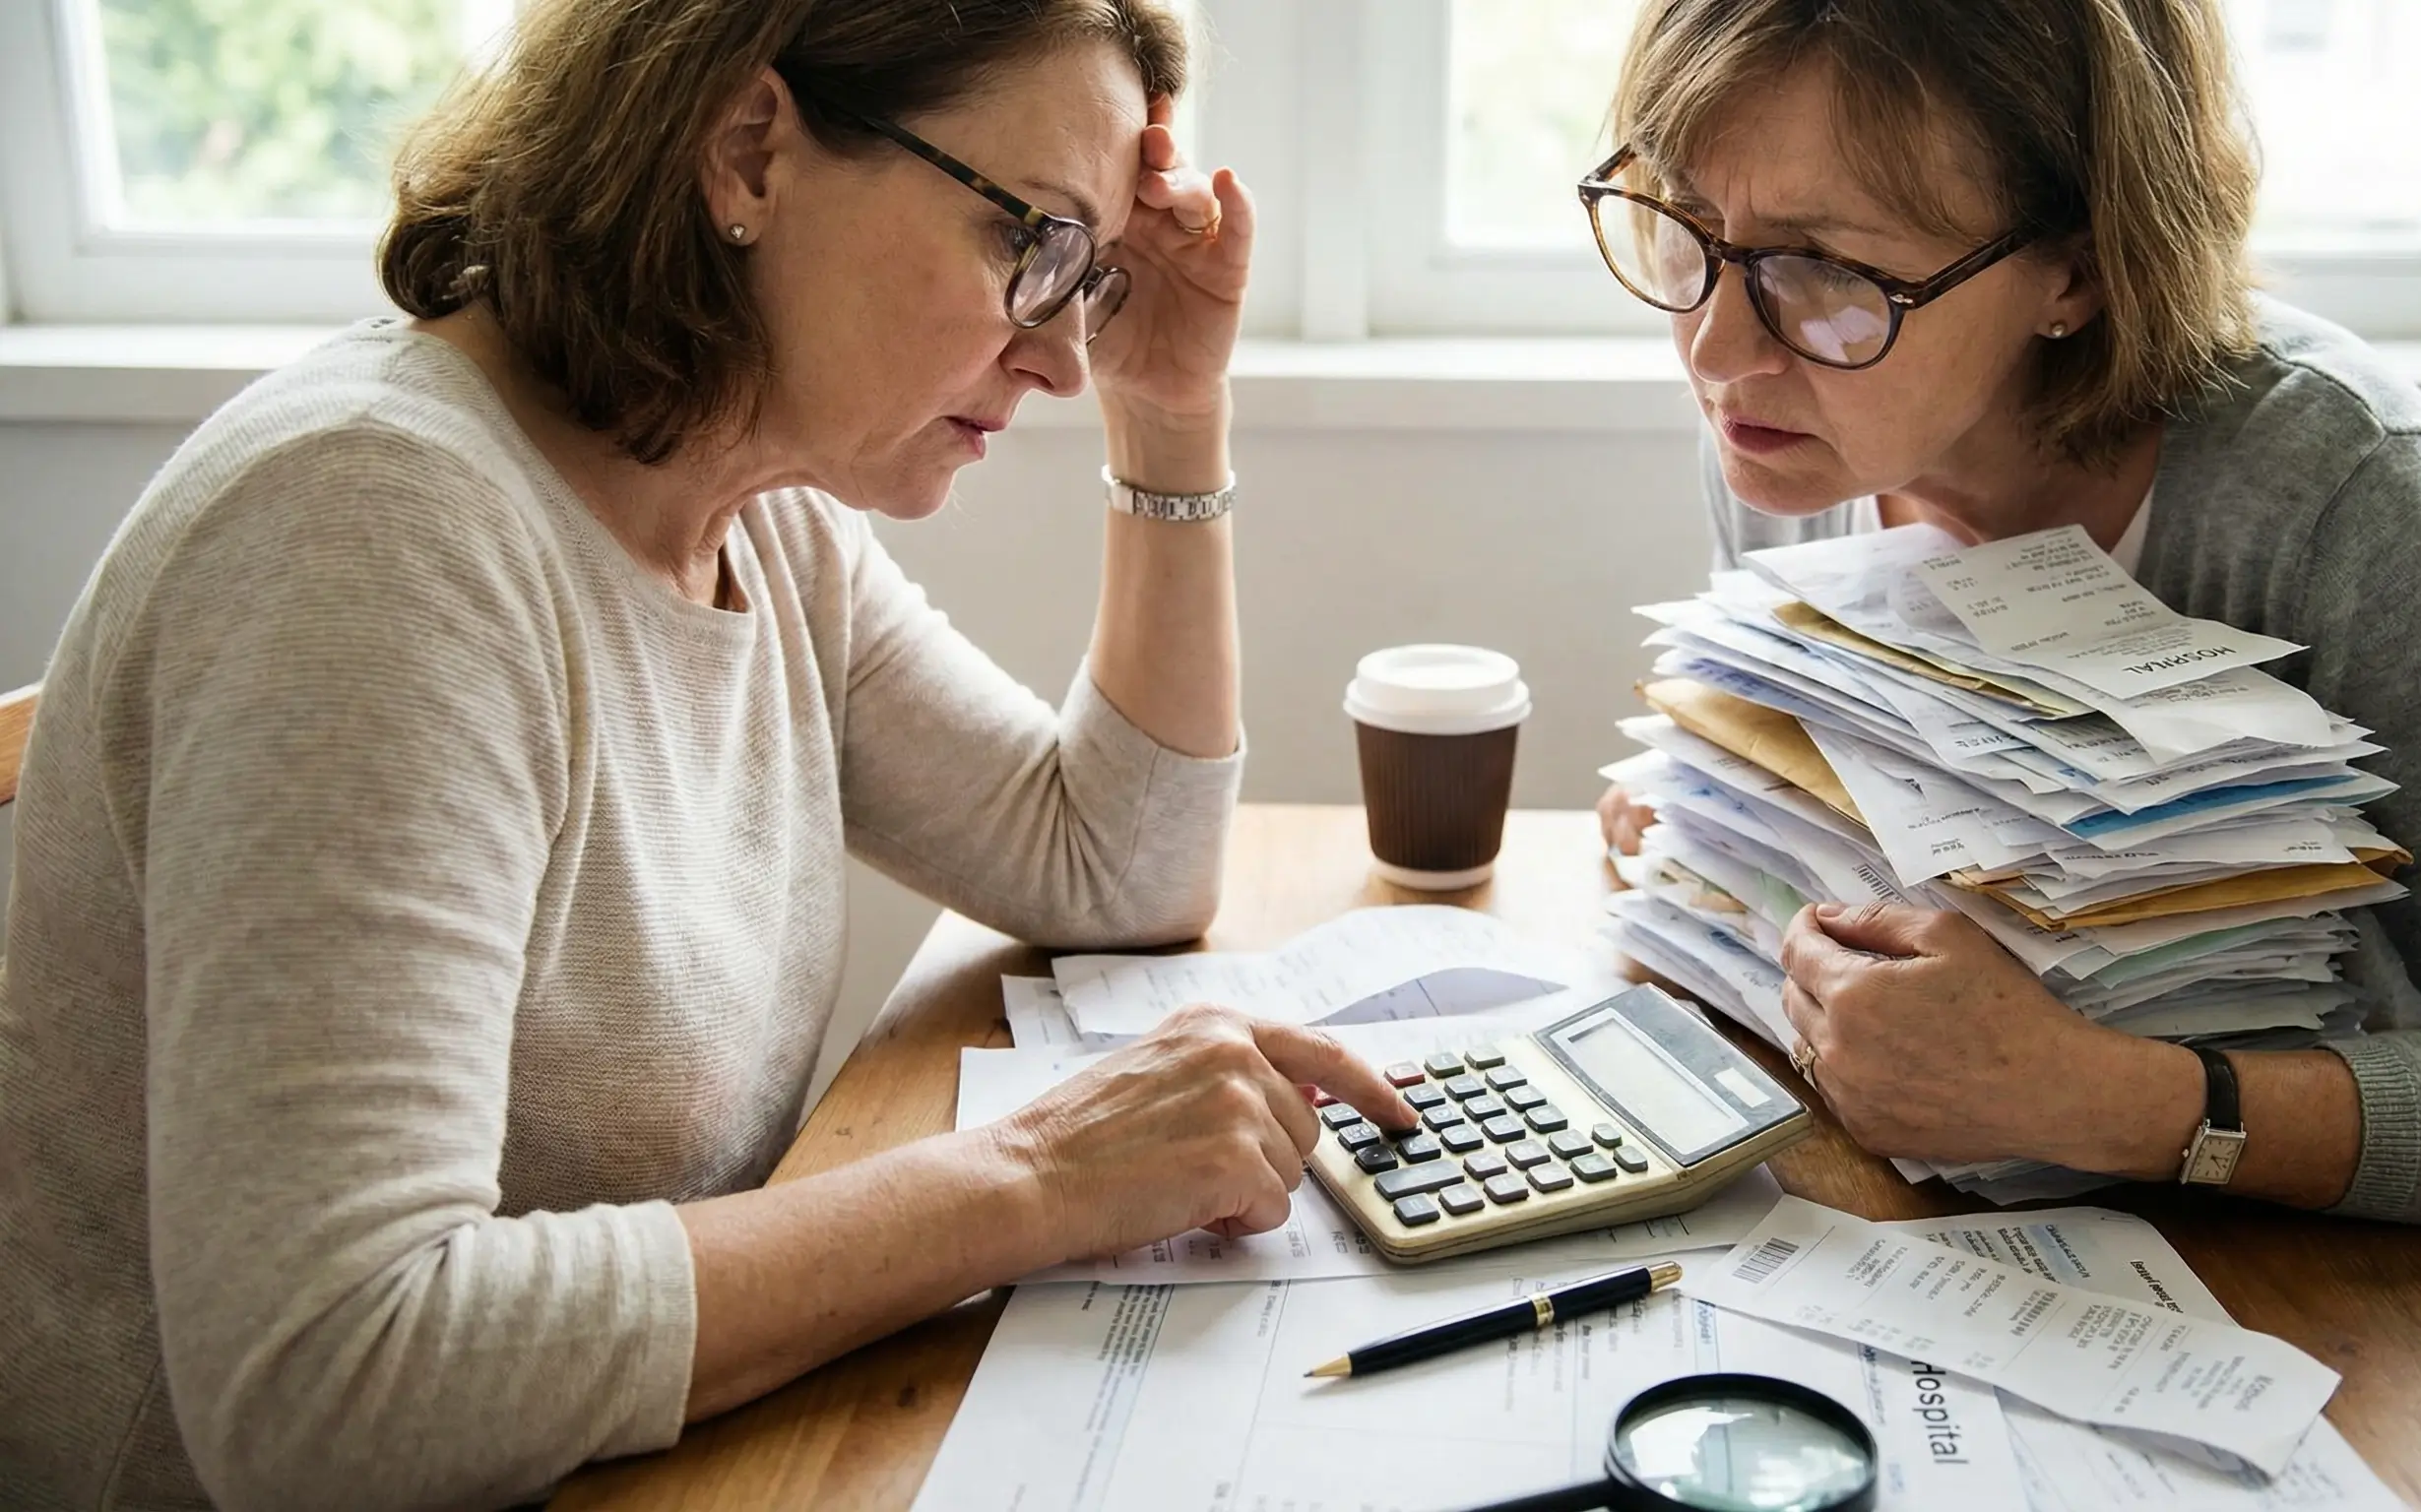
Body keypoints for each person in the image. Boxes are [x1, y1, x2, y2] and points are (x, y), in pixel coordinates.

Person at [0, 2, 1422, 1506]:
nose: (1066, 356)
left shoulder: (747, 495)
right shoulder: (367, 535)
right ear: (748, 151)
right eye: (1034, 240)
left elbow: (1113, 862)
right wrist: (1035, 1178)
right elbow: (332, 1385)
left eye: (1092, 270)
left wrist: (1172, 407)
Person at [1588, 0, 2421, 1394]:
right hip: (2054, 1272)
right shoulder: (1795, 426)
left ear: (2082, 270)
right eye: (1687, 232)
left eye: (1828, 273)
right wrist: (1730, 835)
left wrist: (2108, 1098)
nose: (1717, 351)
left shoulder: (2322, 485)